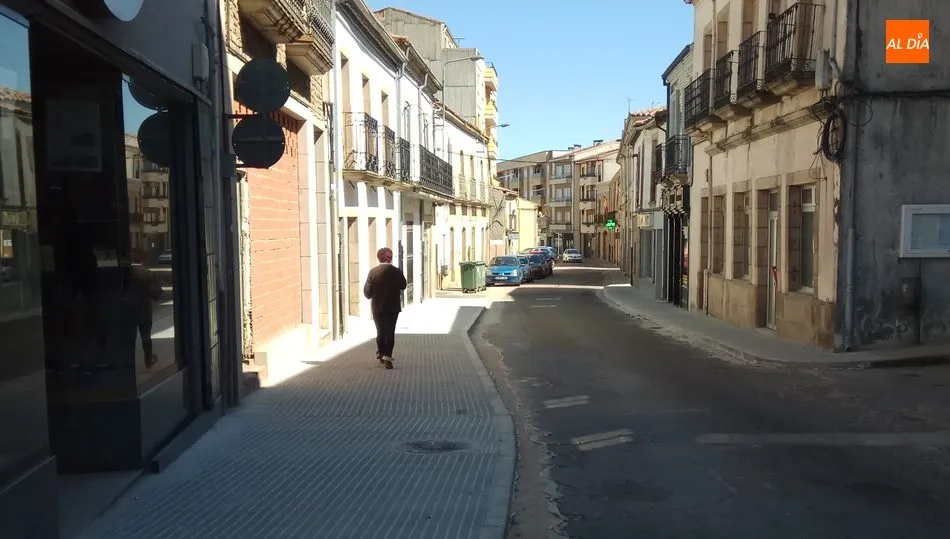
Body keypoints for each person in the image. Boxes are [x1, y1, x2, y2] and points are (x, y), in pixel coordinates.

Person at [363, 247, 407, 369]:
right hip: (393, 307)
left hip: (378, 307)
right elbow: (403, 285)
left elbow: (367, 293)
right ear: (390, 258)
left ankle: (381, 354)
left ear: (378, 257)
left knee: (380, 331)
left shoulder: (373, 272)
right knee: (390, 332)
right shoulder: (396, 271)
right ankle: (388, 357)